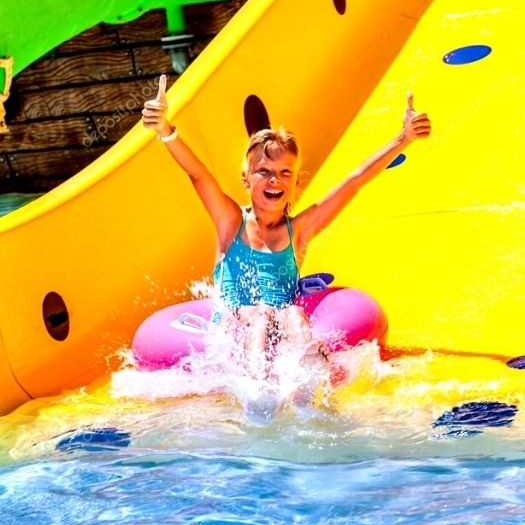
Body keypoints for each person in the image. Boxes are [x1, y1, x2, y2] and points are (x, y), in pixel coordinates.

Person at [142, 74, 431, 379]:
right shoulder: (231, 221)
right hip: (234, 332)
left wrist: (404, 139)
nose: (274, 180)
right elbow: (198, 174)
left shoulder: (300, 231)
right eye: (263, 171)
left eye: (284, 173)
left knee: (292, 313)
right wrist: (165, 129)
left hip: (281, 335)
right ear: (245, 179)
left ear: (295, 183)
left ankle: (309, 378)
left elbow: (354, 181)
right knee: (261, 313)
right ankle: (257, 390)